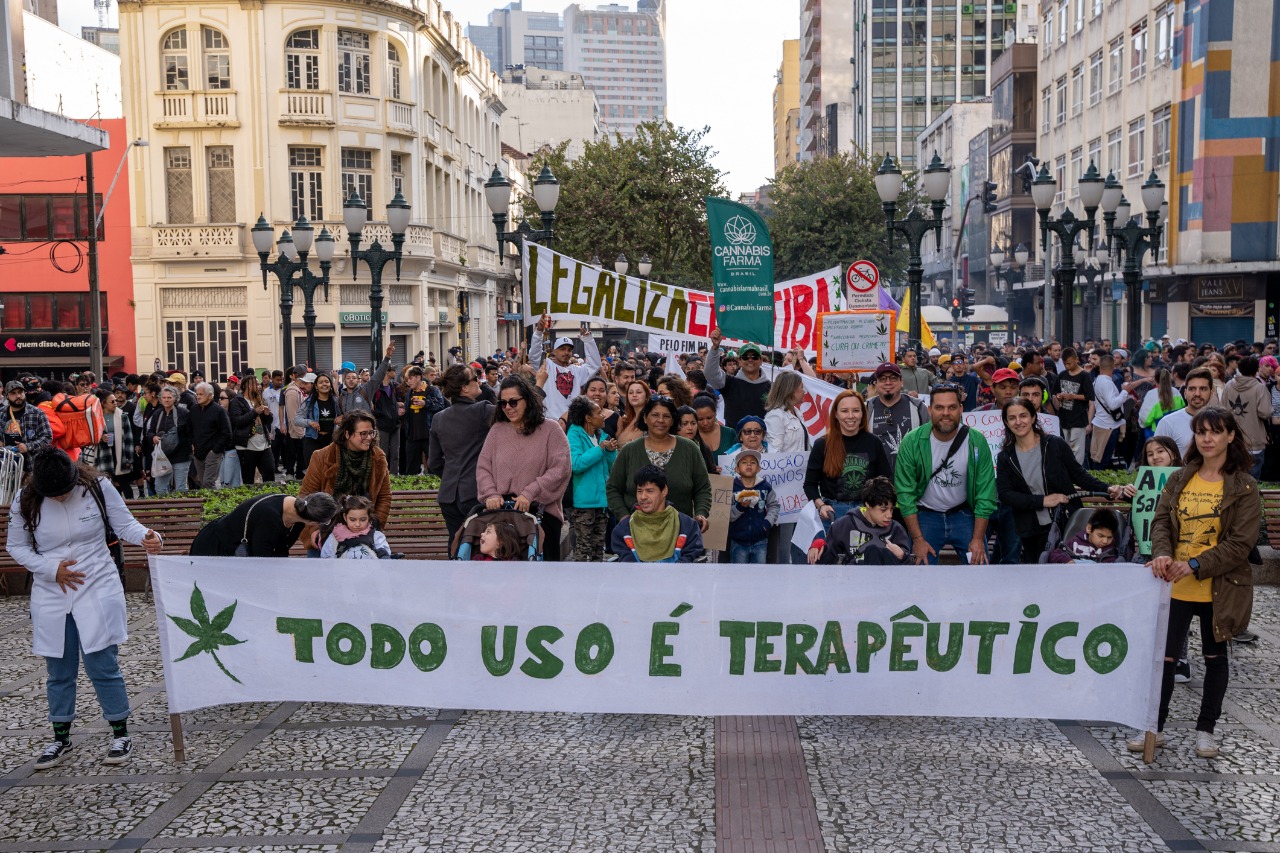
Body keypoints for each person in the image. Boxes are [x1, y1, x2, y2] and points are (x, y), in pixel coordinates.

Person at [7, 447, 164, 769]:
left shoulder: (97, 487)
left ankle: (120, 733)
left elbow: (125, 525)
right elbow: (17, 546)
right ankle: (60, 738)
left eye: (65, 491)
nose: (61, 497)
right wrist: (50, 569)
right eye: (54, 495)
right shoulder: (26, 499)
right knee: (59, 669)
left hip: (97, 584)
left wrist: (149, 537)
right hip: (52, 591)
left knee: (102, 664)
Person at [1132, 407, 1260, 759]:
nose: (1207, 438)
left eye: (1215, 431)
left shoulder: (1244, 486)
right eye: (1201, 432)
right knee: (1164, 660)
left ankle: (1206, 731)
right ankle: (1154, 729)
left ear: (1230, 436)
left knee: (1214, 659)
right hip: (1175, 586)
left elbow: (1240, 543)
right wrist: (1162, 554)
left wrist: (1193, 564)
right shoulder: (1180, 477)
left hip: (1221, 587)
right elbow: (1161, 521)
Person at [996, 397, 1131, 561]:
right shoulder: (1006, 457)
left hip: (1064, 522)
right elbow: (1005, 494)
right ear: (1006, 422)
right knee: (1038, 571)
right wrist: (1042, 501)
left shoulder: (1054, 444)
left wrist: (1107, 489)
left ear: (1033, 417)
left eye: (1023, 415)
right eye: (1012, 418)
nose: (1018, 422)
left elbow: (1079, 475)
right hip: (1030, 528)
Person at [894, 384, 998, 565]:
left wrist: (977, 539)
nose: (946, 413)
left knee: (980, 568)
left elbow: (985, 492)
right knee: (918, 572)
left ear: (961, 409)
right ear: (930, 410)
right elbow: (905, 494)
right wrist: (918, 539)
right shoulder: (912, 442)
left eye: (952, 407)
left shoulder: (976, 440)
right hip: (926, 515)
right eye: (939, 407)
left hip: (963, 514)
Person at [476, 376, 572, 561]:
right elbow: (483, 467)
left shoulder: (551, 429)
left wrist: (530, 493)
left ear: (527, 400)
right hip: (502, 515)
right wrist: (491, 494)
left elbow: (560, 469)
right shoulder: (497, 430)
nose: (508, 407)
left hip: (541, 513)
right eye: (503, 403)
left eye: (513, 402)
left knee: (543, 574)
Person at [606, 396, 712, 530]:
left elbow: (703, 488)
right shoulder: (629, 450)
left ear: (673, 420)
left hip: (679, 531)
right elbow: (613, 488)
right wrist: (624, 516)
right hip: (636, 531)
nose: (660, 420)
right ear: (645, 418)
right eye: (655, 415)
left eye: (666, 416)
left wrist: (701, 513)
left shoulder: (689, 449)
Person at [299, 410, 392, 555]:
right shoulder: (322, 457)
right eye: (363, 433)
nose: (369, 437)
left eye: (371, 432)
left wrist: (374, 528)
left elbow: (384, 497)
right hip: (326, 531)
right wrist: (314, 529)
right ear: (347, 434)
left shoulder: (377, 457)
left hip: (364, 532)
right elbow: (306, 497)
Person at [804, 389, 892, 537]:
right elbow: (809, 484)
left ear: (862, 413)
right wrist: (821, 506)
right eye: (844, 411)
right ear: (836, 414)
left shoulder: (874, 442)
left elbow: (885, 480)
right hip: (833, 514)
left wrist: (879, 508)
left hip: (866, 513)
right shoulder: (822, 444)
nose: (850, 416)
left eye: (856, 410)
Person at [427, 365, 495, 549]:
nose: (479, 380)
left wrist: (451, 475)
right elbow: (516, 414)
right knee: (481, 546)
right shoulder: (483, 410)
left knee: (456, 544)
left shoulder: (438, 418)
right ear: (464, 387)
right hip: (474, 492)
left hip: (448, 495)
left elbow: (433, 462)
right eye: (475, 378)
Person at [189, 492, 338, 557]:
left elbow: (281, 550)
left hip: (238, 552)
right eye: (325, 522)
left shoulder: (299, 513)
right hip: (215, 547)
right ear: (313, 521)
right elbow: (261, 560)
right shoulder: (269, 518)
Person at [806, 476, 911, 565]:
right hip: (852, 579)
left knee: (874, 551)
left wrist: (902, 556)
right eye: (883, 510)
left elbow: (909, 570)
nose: (889, 515)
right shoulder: (843, 526)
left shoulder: (896, 529)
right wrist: (820, 546)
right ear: (868, 504)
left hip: (887, 579)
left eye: (891, 509)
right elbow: (827, 565)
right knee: (872, 551)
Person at [611, 466, 706, 563]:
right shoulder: (623, 530)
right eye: (639, 491)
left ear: (664, 491)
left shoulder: (688, 527)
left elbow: (689, 559)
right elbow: (628, 566)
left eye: (649, 491)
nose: (643, 497)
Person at [565, 395, 618, 562]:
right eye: (599, 413)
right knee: (583, 548)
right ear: (588, 418)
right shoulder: (574, 434)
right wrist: (599, 449)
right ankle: (581, 578)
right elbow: (576, 464)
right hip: (583, 504)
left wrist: (610, 452)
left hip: (601, 502)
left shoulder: (602, 435)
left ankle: (598, 577)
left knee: (598, 548)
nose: (603, 416)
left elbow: (611, 466)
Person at [529, 315, 602, 419]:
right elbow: (534, 355)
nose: (566, 352)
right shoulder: (546, 366)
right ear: (554, 351)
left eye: (569, 350)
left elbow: (595, 365)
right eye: (562, 349)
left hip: (571, 422)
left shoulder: (576, 371)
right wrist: (539, 332)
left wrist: (588, 340)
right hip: (550, 421)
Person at [866, 363, 929, 473]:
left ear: (901, 382)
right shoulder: (866, 409)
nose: (888, 382)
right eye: (882, 379)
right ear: (876, 384)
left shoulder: (918, 407)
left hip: (911, 477)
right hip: (876, 478)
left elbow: (929, 442)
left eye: (893, 378)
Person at [705, 330, 771, 427]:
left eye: (755, 357)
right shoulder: (729, 383)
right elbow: (710, 373)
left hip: (763, 436)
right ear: (739, 361)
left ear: (761, 360)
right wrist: (715, 348)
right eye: (745, 357)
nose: (750, 359)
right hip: (734, 436)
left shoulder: (772, 388)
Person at [1221, 354, 1270, 478]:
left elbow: (1222, 409)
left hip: (1232, 441)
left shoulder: (1228, 385)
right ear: (1257, 369)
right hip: (1254, 442)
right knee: (1252, 480)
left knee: (1233, 477)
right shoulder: (1260, 388)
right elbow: (1265, 413)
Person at [727, 449, 778, 564]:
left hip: (760, 541)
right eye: (744, 462)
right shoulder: (731, 487)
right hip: (738, 541)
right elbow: (726, 515)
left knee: (759, 573)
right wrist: (740, 507)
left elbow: (774, 506)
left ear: (759, 468)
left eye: (753, 462)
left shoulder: (765, 486)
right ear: (737, 469)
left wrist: (767, 524)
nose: (749, 464)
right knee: (737, 573)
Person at [1157, 368, 1215, 457]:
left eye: (1203, 389)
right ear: (1185, 393)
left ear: (1211, 394)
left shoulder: (1220, 422)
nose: (1197, 394)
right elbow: (1158, 458)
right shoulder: (1167, 423)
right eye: (1192, 389)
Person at [229, 375, 276, 486]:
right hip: (247, 446)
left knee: (270, 473)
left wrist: (267, 414)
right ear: (248, 385)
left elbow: (268, 421)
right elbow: (237, 421)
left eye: (259, 384)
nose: (259, 386)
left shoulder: (259, 398)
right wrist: (255, 412)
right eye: (256, 384)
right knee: (248, 479)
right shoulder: (237, 401)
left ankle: (269, 495)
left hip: (264, 443)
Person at [145, 387, 192, 495]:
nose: (166, 400)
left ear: (175, 398)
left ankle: (181, 506)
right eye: (164, 397)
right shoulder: (157, 414)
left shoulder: (184, 413)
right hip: (163, 456)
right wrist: (153, 437)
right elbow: (150, 431)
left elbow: (191, 432)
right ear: (160, 399)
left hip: (181, 456)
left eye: (169, 397)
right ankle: (164, 506)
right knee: (160, 488)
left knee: (181, 488)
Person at [402, 365, 448, 476]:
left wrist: (425, 403)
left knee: (433, 466)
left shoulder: (432, 390)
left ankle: (435, 486)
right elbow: (407, 411)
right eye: (407, 379)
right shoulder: (409, 393)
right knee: (411, 469)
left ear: (418, 377)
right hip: (413, 436)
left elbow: (441, 406)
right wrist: (402, 411)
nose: (408, 382)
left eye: (410, 378)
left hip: (429, 435)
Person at [93, 388, 135, 498]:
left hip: (119, 453)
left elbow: (129, 438)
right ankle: (114, 503)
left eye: (116, 400)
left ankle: (131, 503)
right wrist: (101, 438)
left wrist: (129, 458)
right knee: (106, 482)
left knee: (122, 480)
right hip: (104, 453)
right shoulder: (97, 417)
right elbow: (92, 436)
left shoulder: (122, 416)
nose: (115, 403)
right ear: (103, 404)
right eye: (112, 401)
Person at [319, 495, 392, 559]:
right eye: (352, 520)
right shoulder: (335, 537)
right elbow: (326, 559)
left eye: (363, 520)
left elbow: (384, 558)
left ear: (369, 518)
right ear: (345, 517)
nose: (357, 524)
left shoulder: (376, 536)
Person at [1055, 347, 1095, 466]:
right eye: (1065, 364)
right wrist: (1059, 396)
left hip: (1078, 417)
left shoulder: (1084, 376)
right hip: (1064, 416)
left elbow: (1089, 396)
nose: (1067, 366)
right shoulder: (1062, 374)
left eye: (1069, 363)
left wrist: (1073, 396)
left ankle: (1076, 471)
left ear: (1076, 360)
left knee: (1076, 449)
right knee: (1065, 447)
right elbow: (1055, 391)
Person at [3, 379, 54, 469]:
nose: (18, 396)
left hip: (31, 465)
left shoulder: (37, 413)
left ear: (24, 393)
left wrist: (28, 447)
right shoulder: (1, 413)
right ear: (7, 396)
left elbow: (47, 437)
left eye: (20, 392)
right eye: (13, 393)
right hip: (6, 467)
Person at [295, 373, 338, 477]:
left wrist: (342, 418)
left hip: (331, 440)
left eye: (327, 382)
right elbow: (297, 420)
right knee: (314, 472)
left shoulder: (336, 401)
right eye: (321, 382)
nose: (324, 384)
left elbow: (345, 416)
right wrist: (310, 422)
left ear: (330, 385)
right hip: (313, 440)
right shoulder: (309, 402)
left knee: (330, 472)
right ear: (316, 386)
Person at [1088, 353, 1126, 469]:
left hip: (1101, 424)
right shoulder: (1106, 382)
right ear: (1113, 366)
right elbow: (1113, 405)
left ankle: (1096, 479)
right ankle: (1098, 481)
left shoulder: (1097, 380)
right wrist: (1125, 392)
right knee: (1103, 461)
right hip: (1108, 427)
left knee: (1099, 459)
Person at [1047, 508, 1123, 563]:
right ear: (1089, 529)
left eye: (1109, 537)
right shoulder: (1074, 542)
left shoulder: (1110, 551)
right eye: (1101, 536)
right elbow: (1054, 555)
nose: (1105, 541)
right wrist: (1067, 560)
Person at [281, 368, 312, 479]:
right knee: (294, 456)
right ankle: (291, 475)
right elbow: (292, 415)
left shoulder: (301, 390)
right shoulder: (292, 392)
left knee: (301, 459)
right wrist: (300, 433)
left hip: (302, 429)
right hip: (296, 432)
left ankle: (299, 475)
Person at [1139, 368, 1185, 437]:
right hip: (1174, 433)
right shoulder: (1176, 392)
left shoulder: (1151, 395)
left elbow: (1145, 420)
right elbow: (1182, 412)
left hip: (1156, 434)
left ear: (1155, 379)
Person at [676, 405, 718, 473]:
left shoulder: (703, 448)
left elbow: (711, 472)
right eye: (685, 424)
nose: (690, 428)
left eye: (693, 423)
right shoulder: (669, 448)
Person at [216, 387, 243, 488]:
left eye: (223, 398)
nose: (220, 400)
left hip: (232, 449)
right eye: (219, 398)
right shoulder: (220, 414)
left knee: (229, 481)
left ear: (230, 400)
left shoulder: (233, 415)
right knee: (224, 480)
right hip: (223, 451)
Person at [694, 394, 735, 459]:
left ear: (715, 413)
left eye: (709, 418)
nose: (705, 423)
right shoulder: (692, 436)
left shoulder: (730, 433)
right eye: (700, 419)